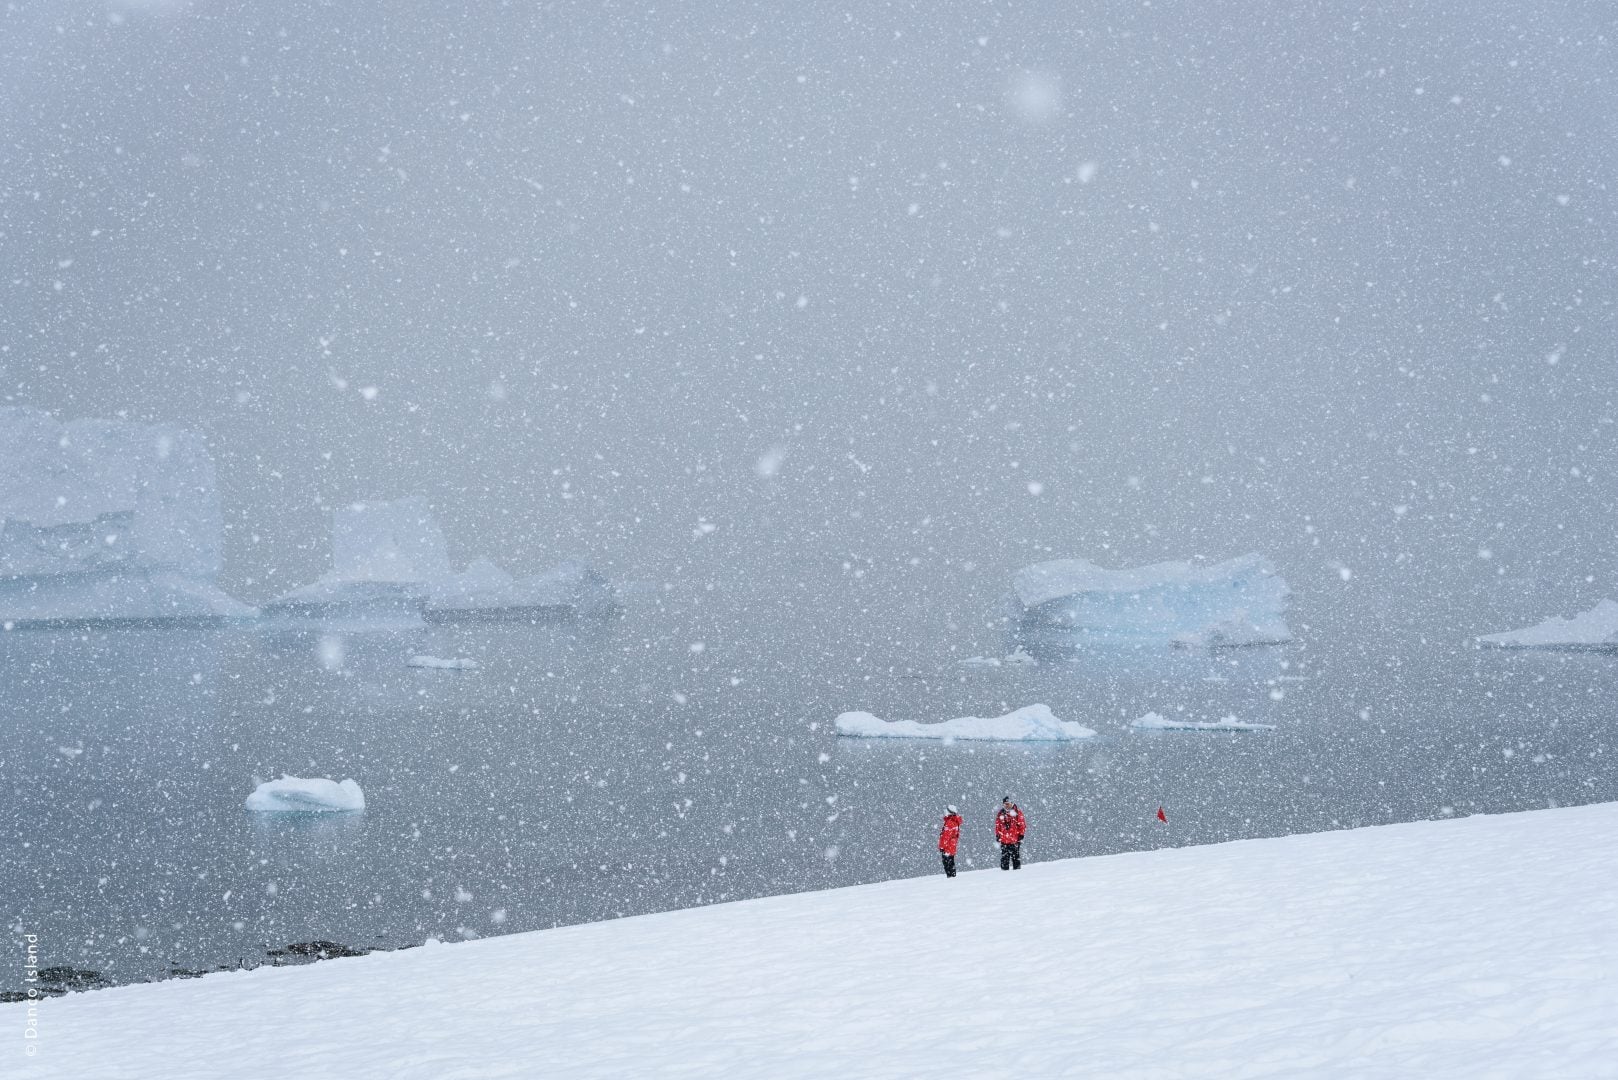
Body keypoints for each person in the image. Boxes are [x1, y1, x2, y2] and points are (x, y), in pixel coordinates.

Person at [994, 796, 1026, 870]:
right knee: (1004, 859)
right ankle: (1004, 876)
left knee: (1016, 859)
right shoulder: (1000, 813)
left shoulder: (1017, 812)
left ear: (1011, 803)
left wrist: (1021, 834)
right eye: (1005, 804)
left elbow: (1022, 825)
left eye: (1008, 804)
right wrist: (998, 835)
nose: (1006, 805)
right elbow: (997, 826)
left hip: (1015, 840)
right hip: (1004, 840)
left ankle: (1017, 875)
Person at [938, 804, 962, 877]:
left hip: (947, 847)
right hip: (951, 846)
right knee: (951, 862)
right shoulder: (954, 821)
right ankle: (952, 877)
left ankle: (950, 878)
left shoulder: (950, 822)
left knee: (947, 863)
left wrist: (942, 847)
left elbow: (946, 836)